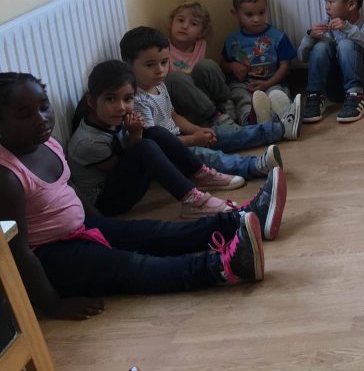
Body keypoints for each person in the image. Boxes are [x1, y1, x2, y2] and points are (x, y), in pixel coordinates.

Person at [0, 72, 287, 320]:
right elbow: (18, 251)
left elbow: (70, 188)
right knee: (134, 267)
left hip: (81, 229)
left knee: (153, 232)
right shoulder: (7, 176)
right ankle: (223, 268)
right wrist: (52, 305)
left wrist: (107, 228)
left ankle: (238, 221)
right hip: (53, 257)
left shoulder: (46, 143)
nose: (41, 118)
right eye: (24, 114)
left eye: (44, 106)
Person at [67, 60, 245, 217]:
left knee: (154, 132)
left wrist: (139, 131)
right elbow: (125, 166)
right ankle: (192, 200)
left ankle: (200, 174)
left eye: (127, 99)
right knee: (144, 146)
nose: (121, 107)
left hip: (120, 184)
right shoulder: (89, 142)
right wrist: (135, 134)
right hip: (106, 203)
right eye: (110, 99)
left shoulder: (110, 117)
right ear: (92, 101)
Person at [121, 27, 298, 177]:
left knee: (227, 134)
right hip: (169, 154)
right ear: (128, 65)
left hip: (180, 138)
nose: (160, 70)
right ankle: (254, 166)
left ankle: (280, 129)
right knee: (210, 157)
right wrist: (193, 140)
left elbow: (173, 116)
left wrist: (197, 130)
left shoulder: (159, 85)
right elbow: (157, 144)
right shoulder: (138, 101)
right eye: (150, 65)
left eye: (164, 62)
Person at [297, 0, 364, 124]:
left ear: (351, 4)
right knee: (321, 46)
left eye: (330, 1)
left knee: (346, 44)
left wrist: (349, 29)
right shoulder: (325, 26)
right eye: (325, 1)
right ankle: (315, 96)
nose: (326, 7)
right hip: (333, 89)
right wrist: (310, 37)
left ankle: (356, 97)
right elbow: (302, 58)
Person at [220, 0, 298, 124]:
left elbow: (285, 66)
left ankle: (280, 117)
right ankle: (250, 120)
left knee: (276, 94)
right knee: (242, 97)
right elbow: (223, 64)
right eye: (249, 15)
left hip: (271, 80)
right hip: (243, 85)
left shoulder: (277, 37)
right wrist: (232, 66)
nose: (256, 19)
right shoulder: (232, 40)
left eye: (261, 13)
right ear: (235, 13)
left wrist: (267, 83)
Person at [164, 1, 239, 127]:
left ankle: (225, 103)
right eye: (180, 20)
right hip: (184, 105)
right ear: (171, 23)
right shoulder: (163, 48)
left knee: (207, 65)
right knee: (176, 78)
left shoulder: (200, 45)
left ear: (201, 32)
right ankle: (214, 116)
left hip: (205, 98)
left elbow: (203, 77)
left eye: (193, 24)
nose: (185, 26)